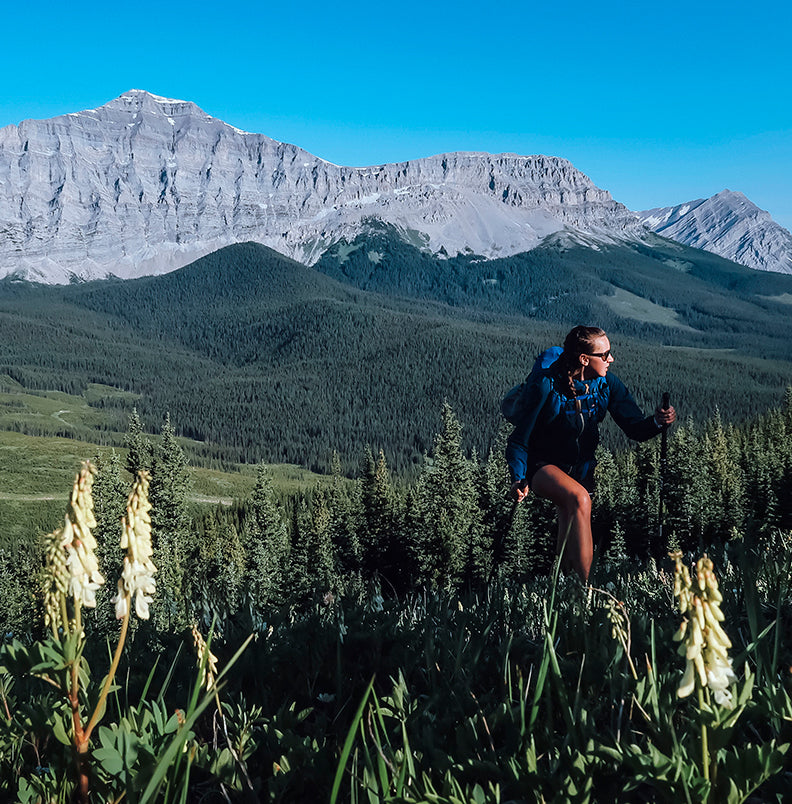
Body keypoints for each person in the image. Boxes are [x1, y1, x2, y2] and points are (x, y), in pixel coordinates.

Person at [505, 325, 676, 581]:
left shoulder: (607, 385)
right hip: (541, 465)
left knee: (570, 520)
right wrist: (519, 476)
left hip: (582, 471)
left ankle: (563, 591)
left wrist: (657, 422)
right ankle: (587, 593)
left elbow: (634, 427)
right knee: (580, 499)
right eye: (605, 354)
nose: (611, 359)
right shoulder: (546, 385)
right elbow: (519, 439)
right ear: (585, 359)